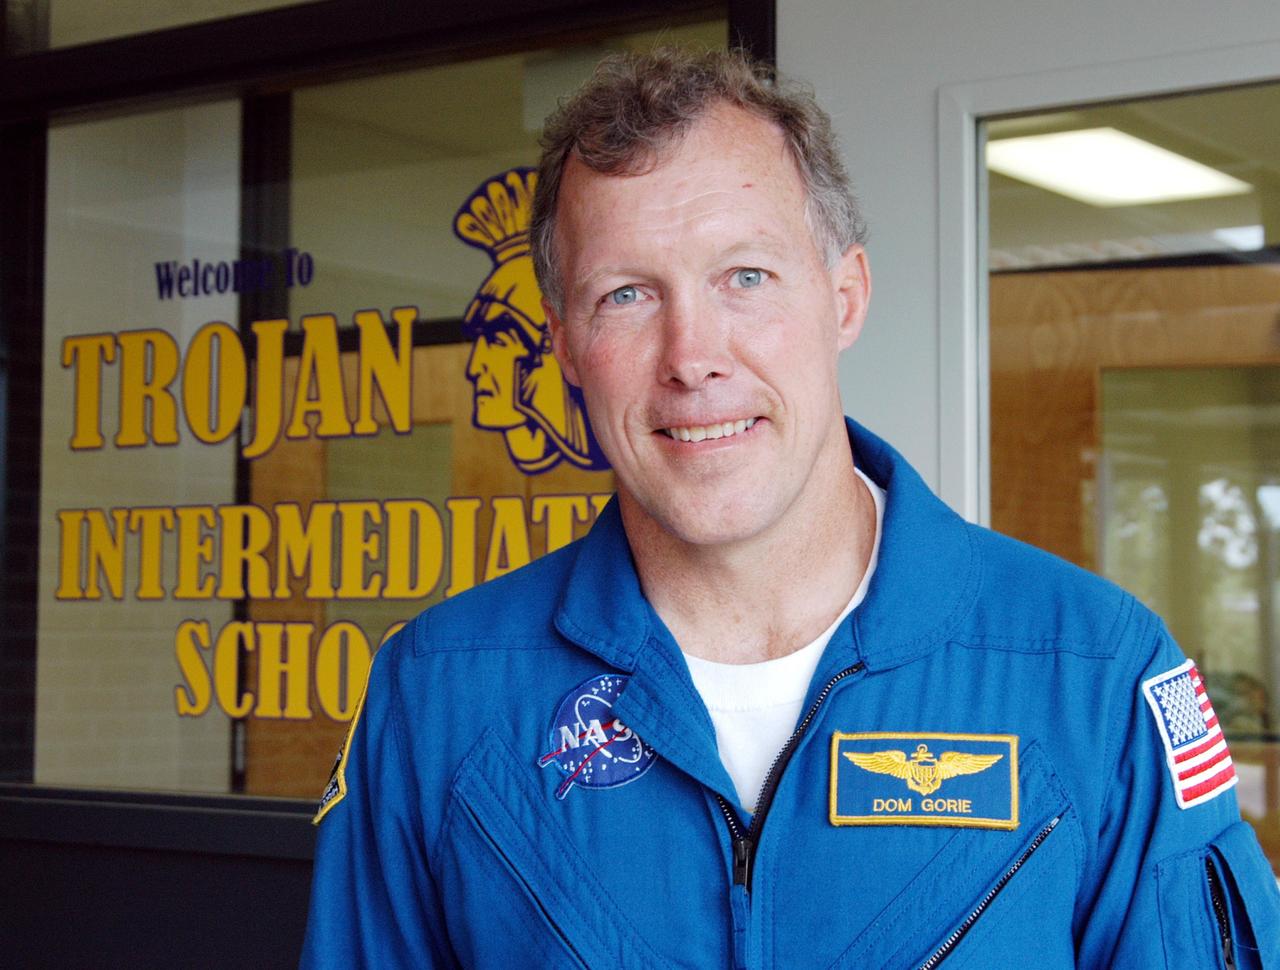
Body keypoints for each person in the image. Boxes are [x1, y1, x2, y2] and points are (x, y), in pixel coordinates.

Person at [301, 48, 1280, 968]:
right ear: (562, 343)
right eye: (627, 295)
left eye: (745, 276)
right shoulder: (436, 696)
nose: (693, 356)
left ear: (843, 295)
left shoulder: (1092, 674)